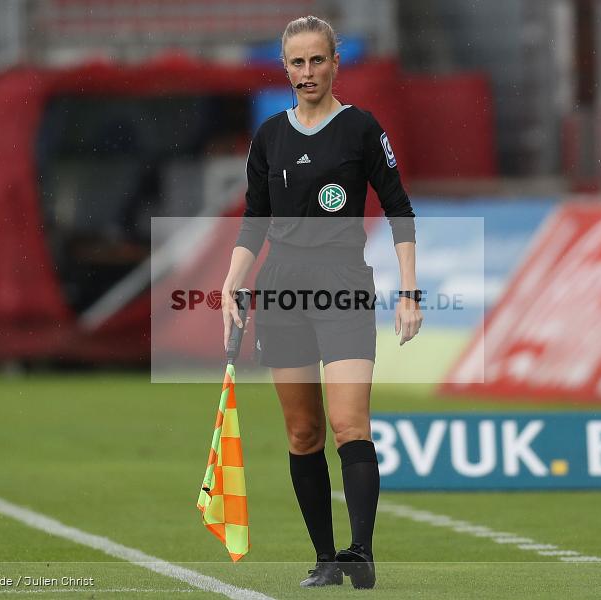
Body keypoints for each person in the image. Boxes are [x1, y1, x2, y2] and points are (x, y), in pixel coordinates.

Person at [220, 15, 422, 590]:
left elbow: (399, 208)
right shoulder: (269, 136)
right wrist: (233, 281)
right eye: (297, 62)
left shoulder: (360, 128)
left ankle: (361, 552)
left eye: (317, 60)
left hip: (343, 286)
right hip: (282, 287)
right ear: (284, 68)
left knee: (348, 421)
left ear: (335, 63)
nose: (307, 72)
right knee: (303, 432)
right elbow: (255, 220)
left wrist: (409, 291)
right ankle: (327, 558)